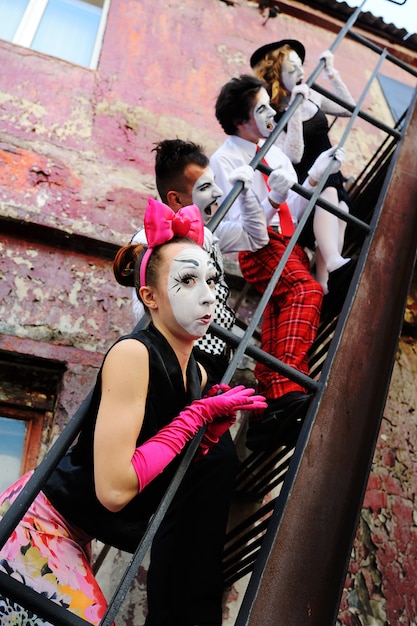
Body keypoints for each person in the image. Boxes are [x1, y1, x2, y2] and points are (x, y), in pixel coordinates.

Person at [0, 197, 267, 625]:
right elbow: (115, 488)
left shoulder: (196, 370)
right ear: (150, 297)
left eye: (211, 280)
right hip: (37, 523)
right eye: (187, 281)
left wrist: (207, 437)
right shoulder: (132, 354)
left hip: (77, 531)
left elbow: (161, 465)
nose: (208, 295)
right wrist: (192, 420)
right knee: (87, 616)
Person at [210, 74, 345, 451]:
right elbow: (228, 227)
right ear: (241, 120)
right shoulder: (225, 159)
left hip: (288, 242)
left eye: (271, 105)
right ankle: (286, 387)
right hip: (259, 247)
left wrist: (317, 171)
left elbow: (294, 209)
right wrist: (268, 200)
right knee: (307, 289)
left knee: (276, 320)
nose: (273, 113)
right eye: (263, 108)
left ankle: (268, 407)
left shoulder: (275, 152)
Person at [132, 138, 270, 392]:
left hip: (214, 358)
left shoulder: (210, 231)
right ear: (175, 199)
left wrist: (247, 195)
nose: (218, 193)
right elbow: (143, 309)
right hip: (182, 359)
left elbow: (256, 237)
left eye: (216, 183)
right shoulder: (150, 238)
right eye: (206, 187)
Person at [250, 40, 357, 293]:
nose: (300, 72)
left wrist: (332, 71)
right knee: (330, 196)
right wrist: (295, 108)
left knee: (341, 208)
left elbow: (348, 108)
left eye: (300, 66)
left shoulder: (313, 94)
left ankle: (323, 280)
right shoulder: (273, 114)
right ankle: (331, 263)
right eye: (291, 68)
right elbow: (293, 155)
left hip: (330, 170)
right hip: (305, 177)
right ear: (277, 74)